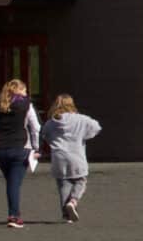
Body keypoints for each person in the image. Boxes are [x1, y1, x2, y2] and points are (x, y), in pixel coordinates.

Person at [0, 78, 40, 229]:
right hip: (20, 149)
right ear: (19, 90)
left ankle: (14, 213)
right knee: (14, 183)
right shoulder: (26, 105)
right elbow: (35, 127)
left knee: (11, 182)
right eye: (25, 91)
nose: (26, 94)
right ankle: (14, 216)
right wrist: (36, 147)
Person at [41, 94, 101, 223]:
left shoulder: (52, 122)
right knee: (81, 180)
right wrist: (84, 135)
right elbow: (96, 127)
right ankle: (73, 201)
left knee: (63, 185)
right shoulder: (81, 119)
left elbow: (44, 134)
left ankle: (66, 215)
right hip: (76, 155)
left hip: (58, 157)